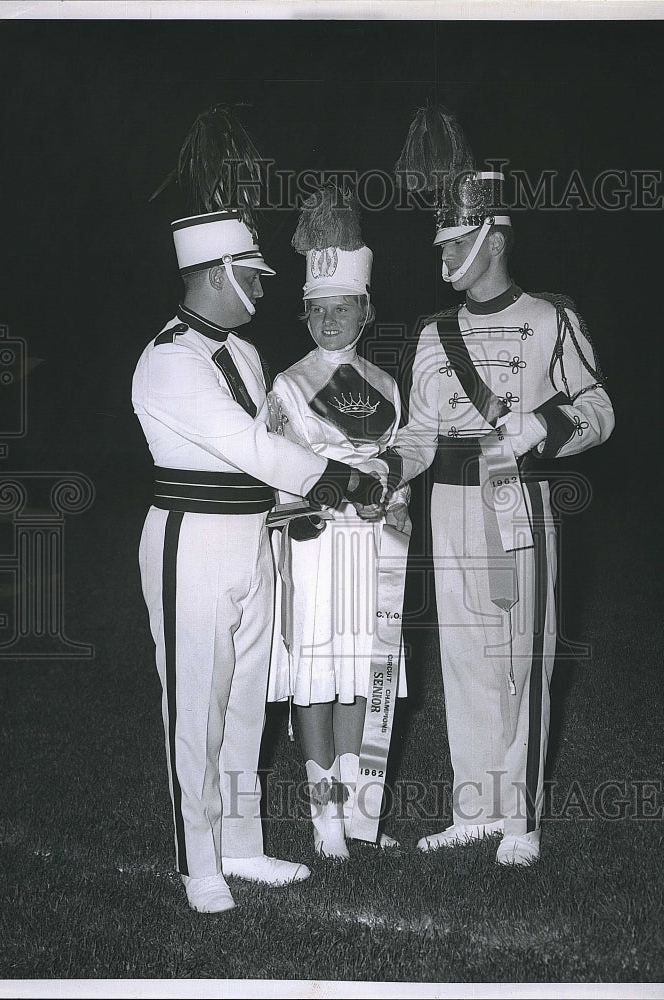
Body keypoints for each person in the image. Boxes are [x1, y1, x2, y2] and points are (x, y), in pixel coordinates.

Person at [132, 109, 385, 913]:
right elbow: (251, 447)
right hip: (192, 544)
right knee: (196, 705)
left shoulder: (241, 350)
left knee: (246, 701)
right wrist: (336, 481)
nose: (265, 287)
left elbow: (267, 458)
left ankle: (241, 847)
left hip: (253, 540)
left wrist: (311, 490)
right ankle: (196, 860)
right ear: (216, 274)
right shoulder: (168, 361)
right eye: (255, 274)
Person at [386, 108, 615, 865]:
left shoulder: (552, 318)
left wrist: (541, 430)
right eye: (441, 241)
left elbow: (598, 409)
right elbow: (419, 431)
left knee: (521, 656)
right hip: (445, 503)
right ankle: (473, 808)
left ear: (491, 238)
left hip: (517, 499)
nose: (442, 253)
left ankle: (520, 820)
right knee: (463, 656)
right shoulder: (429, 332)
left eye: (453, 240)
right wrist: (388, 468)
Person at [267, 187, 409, 859]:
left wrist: (387, 491)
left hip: (372, 553)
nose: (329, 320)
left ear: (365, 308)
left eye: (341, 307)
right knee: (316, 678)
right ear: (304, 314)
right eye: (317, 310)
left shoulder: (387, 385)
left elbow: (398, 467)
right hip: (314, 551)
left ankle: (357, 812)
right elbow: (274, 477)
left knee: (361, 672)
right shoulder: (287, 385)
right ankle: (323, 819)